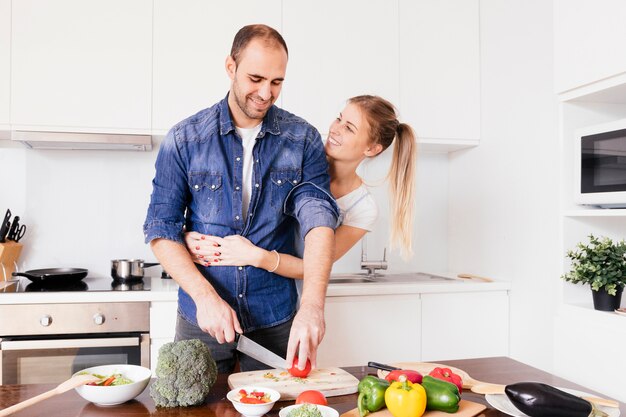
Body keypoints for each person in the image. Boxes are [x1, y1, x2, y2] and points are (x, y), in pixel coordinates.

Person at [143, 24, 340, 374]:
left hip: (276, 318)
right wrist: (205, 299)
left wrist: (312, 305)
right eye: (256, 78)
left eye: (277, 82)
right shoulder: (185, 139)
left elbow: (319, 219)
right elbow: (161, 229)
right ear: (230, 67)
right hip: (201, 317)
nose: (266, 92)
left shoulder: (303, 139)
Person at [185, 94, 417, 284]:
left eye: (349, 128)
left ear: (372, 148)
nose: (335, 129)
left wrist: (256, 256)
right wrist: (191, 235)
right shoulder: (296, 157)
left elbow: (314, 267)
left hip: (288, 295)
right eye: (339, 119)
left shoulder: (363, 208)